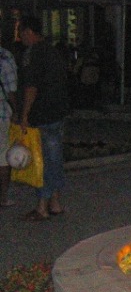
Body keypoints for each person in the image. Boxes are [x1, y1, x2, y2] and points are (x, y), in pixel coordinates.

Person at [17, 16, 69, 221]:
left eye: (21, 33)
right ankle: (55, 202)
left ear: (29, 32)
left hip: (42, 113)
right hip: (57, 110)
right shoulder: (53, 51)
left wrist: (24, 115)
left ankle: (42, 206)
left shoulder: (33, 54)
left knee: (43, 161)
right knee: (54, 158)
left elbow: (31, 87)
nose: (20, 38)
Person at [0, 42, 18, 207]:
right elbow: (11, 90)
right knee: (3, 158)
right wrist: (17, 111)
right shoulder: (4, 58)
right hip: (2, 113)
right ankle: (3, 197)